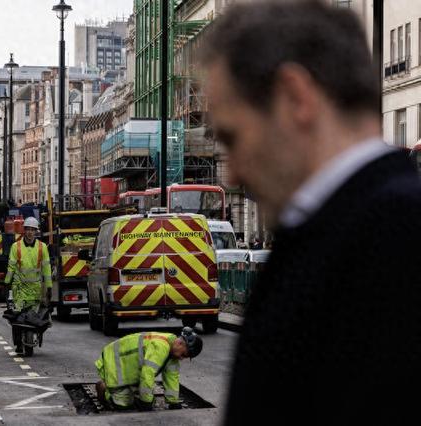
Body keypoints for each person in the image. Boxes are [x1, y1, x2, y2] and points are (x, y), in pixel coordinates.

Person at [200, 2, 421, 425]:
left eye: (233, 136)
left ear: (294, 98)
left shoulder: (393, 245)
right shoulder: (330, 231)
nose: (234, 171)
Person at [95, 327, 203, 411]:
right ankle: (104, 389)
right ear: (179, 343)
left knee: (144, 396)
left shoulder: (172, 350)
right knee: (123, 403)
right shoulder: (161, 347)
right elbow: (148, 373)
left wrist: (173, 402)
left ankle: (131, 391)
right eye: (183, 354)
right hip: (113, 362)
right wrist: (146, 402)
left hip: (129, 368)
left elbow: (172, 378)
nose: (181, 358)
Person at [4, 216, 52, 354]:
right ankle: (18, 343)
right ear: (24, 231)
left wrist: (48, 287)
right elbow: (11, 267)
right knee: (17, 317)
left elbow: (46, 269)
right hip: (19, 289)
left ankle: (33, 336)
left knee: (33, 317)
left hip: (35, 290)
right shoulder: (16, 247)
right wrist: (6, 284)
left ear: (36, 232)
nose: (30, 232)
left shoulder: (42, 248)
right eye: (28, 229)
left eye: (33, 230)